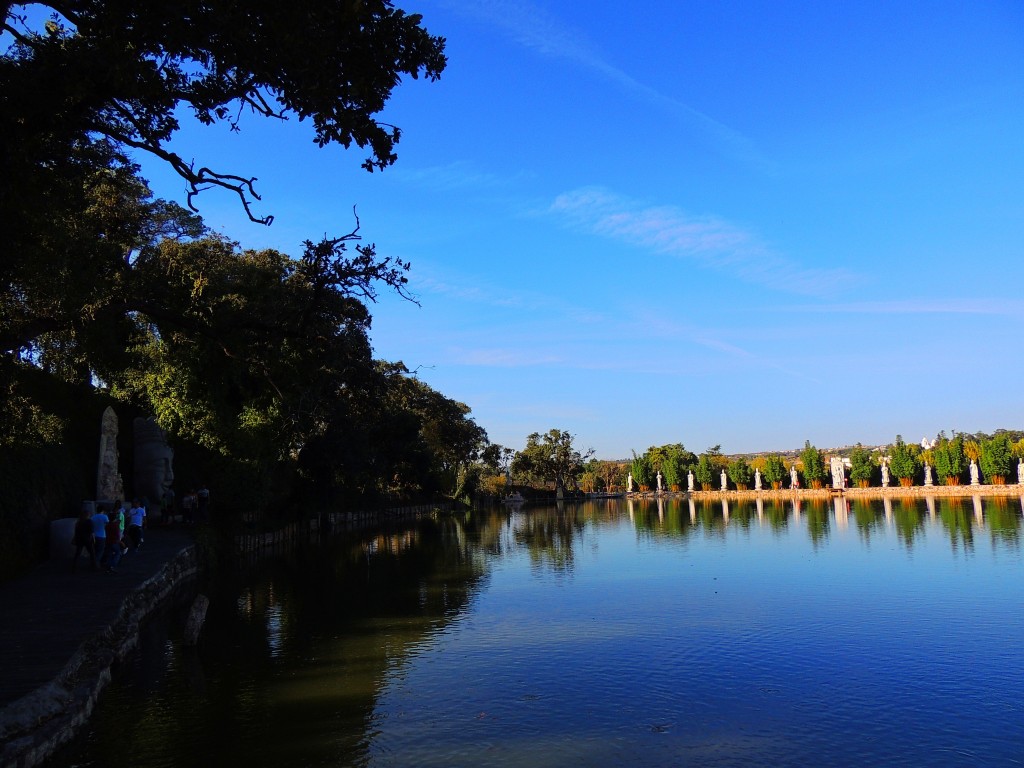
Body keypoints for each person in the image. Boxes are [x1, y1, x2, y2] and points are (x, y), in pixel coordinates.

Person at [71, 508, 97, 572]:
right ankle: (93, 566)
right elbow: (92, 532)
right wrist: (93, 539)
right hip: (88, 539)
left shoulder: (79, 522)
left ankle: (74, 566)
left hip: (79, 539)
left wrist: (75, 538)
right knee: (92, 553)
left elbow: (76, 532)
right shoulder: (89, 521)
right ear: (88, 515)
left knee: (78, 553)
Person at [106, 502, 124, 572]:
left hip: (108, 541)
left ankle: (108, 566)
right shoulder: (116, 525)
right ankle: (112, 566)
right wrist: (120, 541)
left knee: (110, 553)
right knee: (118, 553)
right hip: (114, 541)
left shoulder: (107, 525)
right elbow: (117, 535)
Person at [91, 505, 110, 569]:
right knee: (100, 551)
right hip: (102, 535)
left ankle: (93, 563)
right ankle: (96, 564)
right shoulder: (105, 517)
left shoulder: (93, 517)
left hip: (94, 536)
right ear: (103, 510)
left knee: (95, 550)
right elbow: (108, 525)